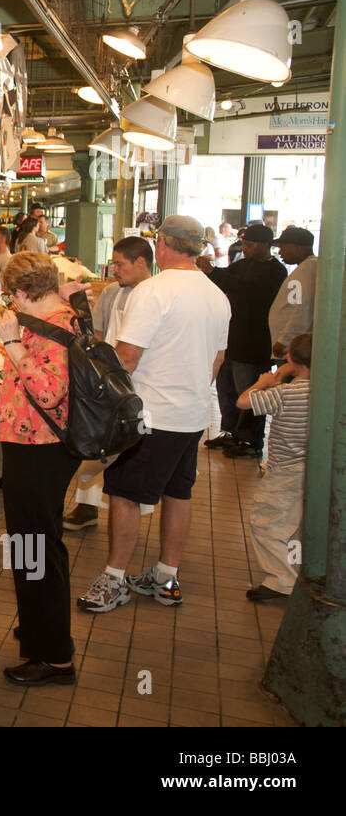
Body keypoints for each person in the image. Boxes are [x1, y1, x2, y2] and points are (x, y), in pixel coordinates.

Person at [76, 215, 230, 614]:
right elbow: (218, 358)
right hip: (192, 415)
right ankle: (166, 577)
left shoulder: (154, 291)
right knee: (179, 493)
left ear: (161, 244)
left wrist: (98, 399)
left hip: (150, 416)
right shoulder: (217, 295)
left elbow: (126, 357)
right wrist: (192, 393)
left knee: (125, 496)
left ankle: (114, 579)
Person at [0, 252, 85, 686]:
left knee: (36, 549)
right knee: (38, 544)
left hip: (39, 447)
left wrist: (12, 344)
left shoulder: (54, 329)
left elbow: (48, 393)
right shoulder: (64, 312)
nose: (12, 305)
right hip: (35, 445)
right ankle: (38, 630)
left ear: (26, 293)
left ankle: (53, 657)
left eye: (15, 296)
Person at [63, 236, 154, 532]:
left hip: (140, 387)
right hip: (109, 382)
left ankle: (127, 514)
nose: (113, 269)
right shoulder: (113, 292)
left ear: (141, 262)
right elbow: (97, 334)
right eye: (113, 263)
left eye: (119, 264)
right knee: (98, 447)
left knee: (128, 454)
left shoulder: (155, 296)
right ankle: (88, 507)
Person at [198, 222, 287, 459]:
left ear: (265, 245)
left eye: (249, 244)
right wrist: (211, 271)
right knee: (225, 387)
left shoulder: (276, 272)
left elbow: (249, 290)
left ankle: (250, 439)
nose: (244, 248)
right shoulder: (242, 265)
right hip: (232, 340)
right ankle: (229, 432)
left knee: (249, 391)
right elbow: (225, 280)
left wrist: (214, 272)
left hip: (255, 344)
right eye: (243, 244)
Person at [237, 332, 311, 602]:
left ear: (290, 358)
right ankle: (297, 573)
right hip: (311, 470)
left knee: (266, 524)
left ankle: (283, 580)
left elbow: (243, 402)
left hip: (285, 472)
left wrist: (263, 381)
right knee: (294, 526)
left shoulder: (285, 393)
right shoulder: (326, 391)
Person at [268, 226, 317, 361]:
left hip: (291, 350)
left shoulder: (305, 270)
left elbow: (301, 308)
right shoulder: (307, 267)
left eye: (283, 247)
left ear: (297, 248)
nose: (280, 251)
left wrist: (285, 340)